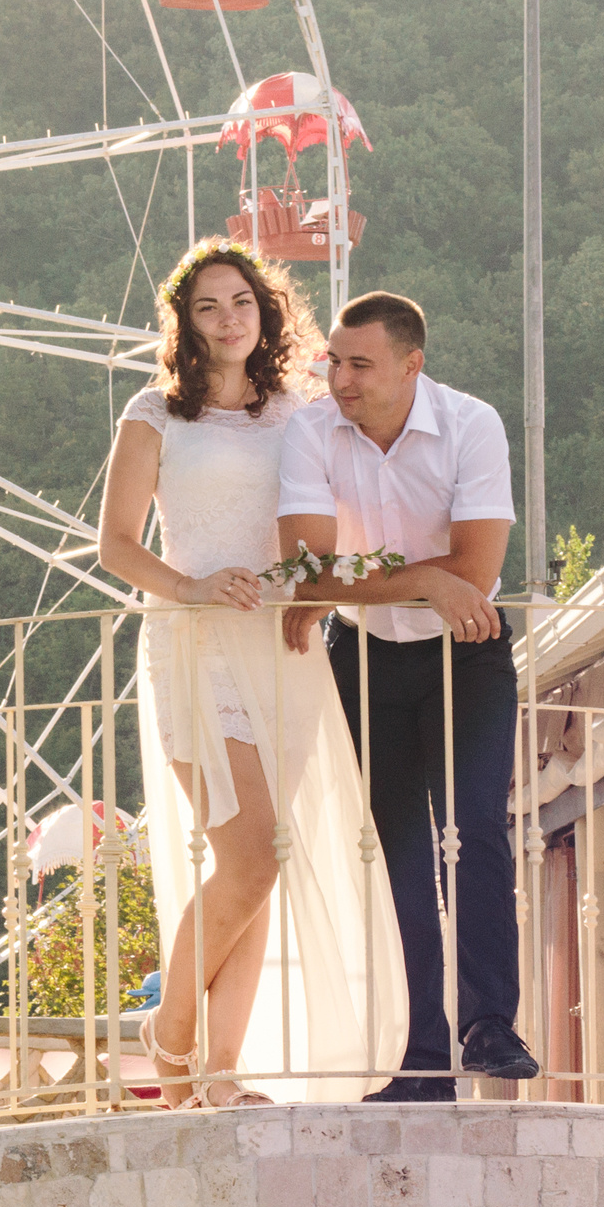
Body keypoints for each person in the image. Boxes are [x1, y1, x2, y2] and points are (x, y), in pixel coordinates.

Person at [98, 240, 405, 1107]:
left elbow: (341, 512)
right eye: (207, 306)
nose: (228, 317)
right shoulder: (154, 414)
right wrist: (191, 585)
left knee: (264, 854)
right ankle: (170, 1031)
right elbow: (115, 542)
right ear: (186, 323)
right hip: (196, 638)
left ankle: (218, 1075)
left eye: (241, 301)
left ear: (264, 311)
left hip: (284, 644)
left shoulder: (301, 415)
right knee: (248, 849)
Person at [276, 290, 540, 1102]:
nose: (340, 379)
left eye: (359, 364)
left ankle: (489, 1026)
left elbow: (479, 574)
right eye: (334, 362)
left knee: (473, 830)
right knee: (393, 853)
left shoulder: (473, 425)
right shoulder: (309, 429)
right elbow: (303, 570)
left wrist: (413, 579)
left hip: (468, 652)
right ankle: (418, 1057)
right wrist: (423, 574)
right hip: (364, 655)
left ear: (410, 365)